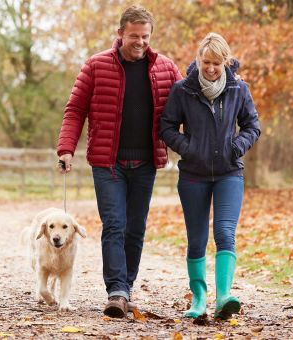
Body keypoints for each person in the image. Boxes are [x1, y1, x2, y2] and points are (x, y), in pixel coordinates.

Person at [56, 5, 182, 318]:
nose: (140, 42)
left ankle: (126, 286)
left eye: (145, 37)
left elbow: (188, 104)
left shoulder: (166, 69)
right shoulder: (96, 65)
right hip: (107, 163)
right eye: (134, 36)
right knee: (114, 224)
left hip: (146, 164)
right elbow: (75, 110)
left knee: (135, 229)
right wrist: (66, 149)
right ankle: (116, 290)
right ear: (120, 33)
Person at [159, 32, 261, 320]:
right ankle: (200, 298)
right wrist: (188, 149)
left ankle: (224, 296)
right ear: (198, 60)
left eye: (217, 63)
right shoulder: (183, 90)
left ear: (225, 62)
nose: (211, 68)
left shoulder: (238, 90)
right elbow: (166, 127)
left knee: (225, 233)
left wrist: (236, 147)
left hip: (229, 172)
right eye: (206, 62)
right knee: (197, 238)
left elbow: (252, 126)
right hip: (193, 175)